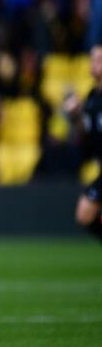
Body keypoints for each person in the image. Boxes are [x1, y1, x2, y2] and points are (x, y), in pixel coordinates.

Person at [66, 45, 102, 243]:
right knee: (84, 215)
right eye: (92, 59)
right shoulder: (92, 98)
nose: (93, 64)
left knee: (85, 212)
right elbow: (84, 134)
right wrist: (75, 116)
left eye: (98, 59)